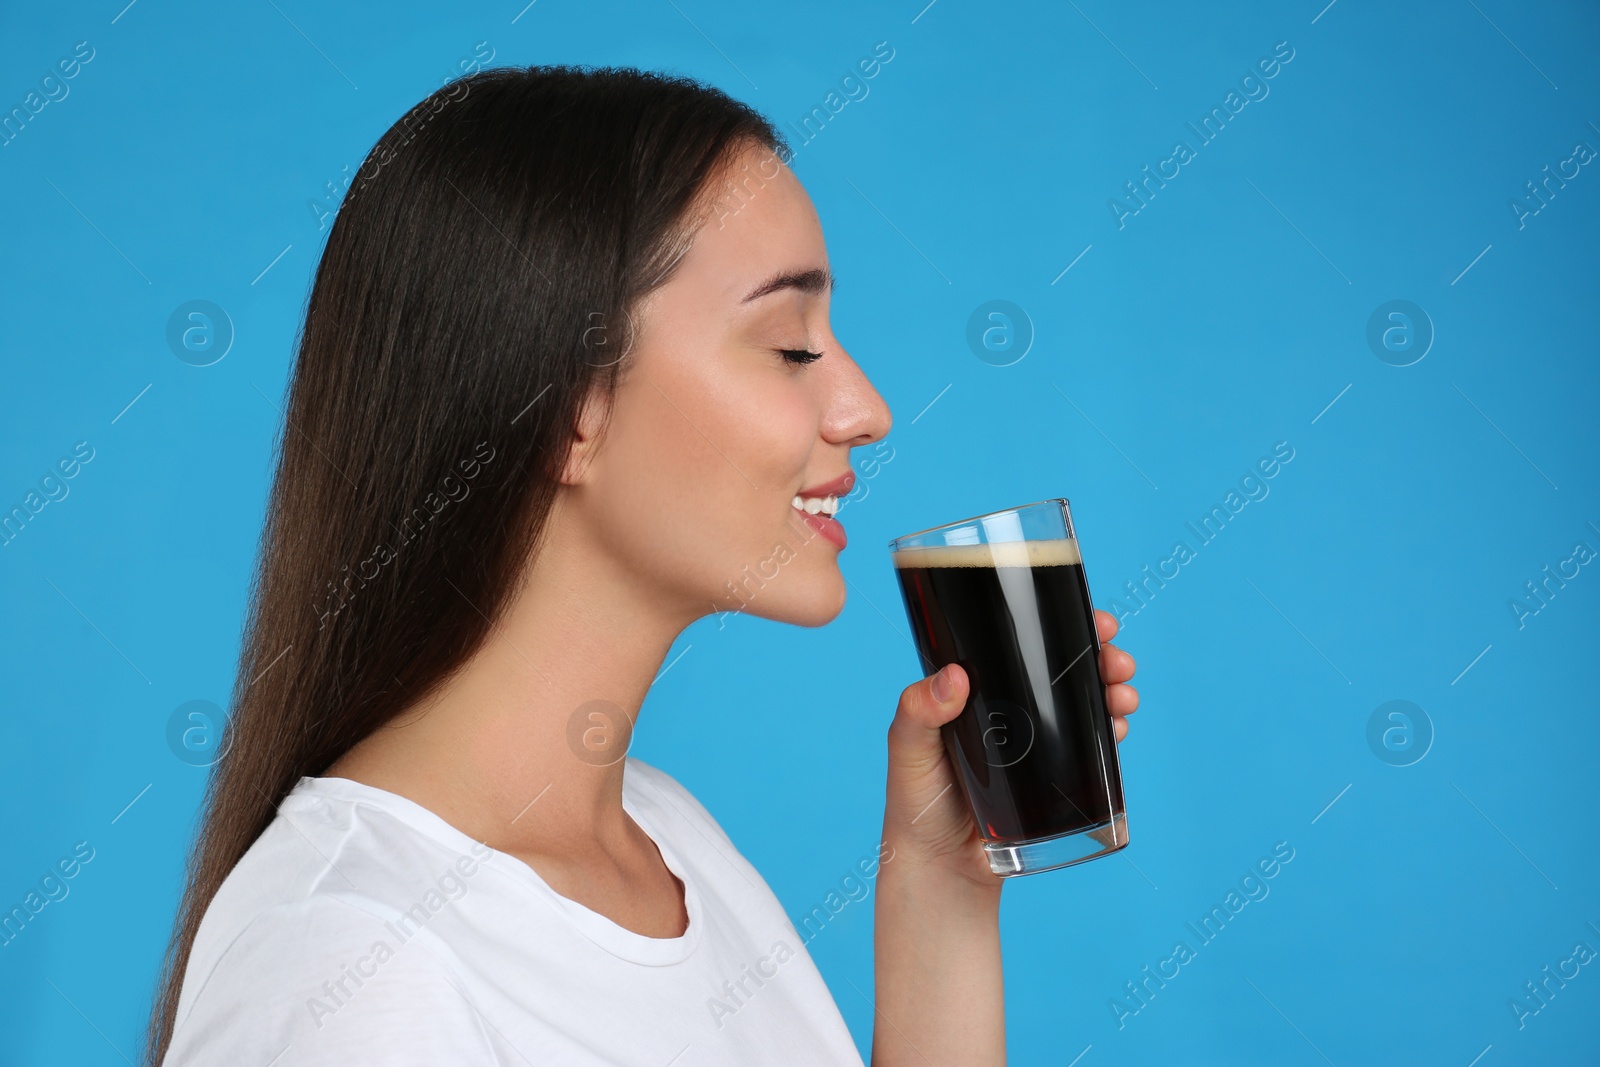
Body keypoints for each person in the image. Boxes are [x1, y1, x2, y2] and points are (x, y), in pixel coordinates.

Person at [147, 64, 1139, 1067]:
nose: (866, 408)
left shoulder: (673, 844)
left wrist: (941, 889)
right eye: (792, 345)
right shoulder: (350, 964)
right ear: (573, 408)